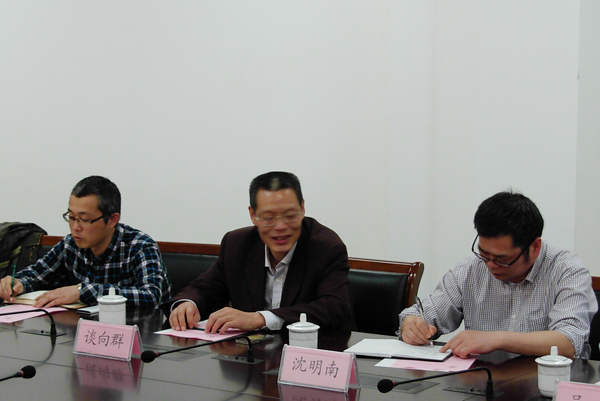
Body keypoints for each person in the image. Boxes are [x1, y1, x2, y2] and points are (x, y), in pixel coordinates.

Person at [399, 191, 597, 359]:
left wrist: (497, 339)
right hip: (482, 381)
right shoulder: (471, 269)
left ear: (535, 247)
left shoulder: (567, 270)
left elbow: (569, 342)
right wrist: (413, 324)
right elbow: (424, 313)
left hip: (547, 383)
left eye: (502, 259)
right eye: (484, 254)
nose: (490, 265)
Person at [164, 171, 352, 333]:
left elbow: (334, 308)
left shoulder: (326, 247)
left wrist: (261, 318)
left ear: (303, 208)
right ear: (253, 215)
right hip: (253, 354)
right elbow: (206, 289)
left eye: (290, 216)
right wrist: (188, 304)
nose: (280, 226)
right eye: (269, 218)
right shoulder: (237, 244)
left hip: (313, 351)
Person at [0, 176, 171, 309]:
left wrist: (82, 291)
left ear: (112, 220)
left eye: (84, 219)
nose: (75, 227)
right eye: (71, 217)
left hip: (138, 333)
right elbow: (38, 274)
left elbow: (151, 295)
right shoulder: (70, 244)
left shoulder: (140, 246)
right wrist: (17, 283)